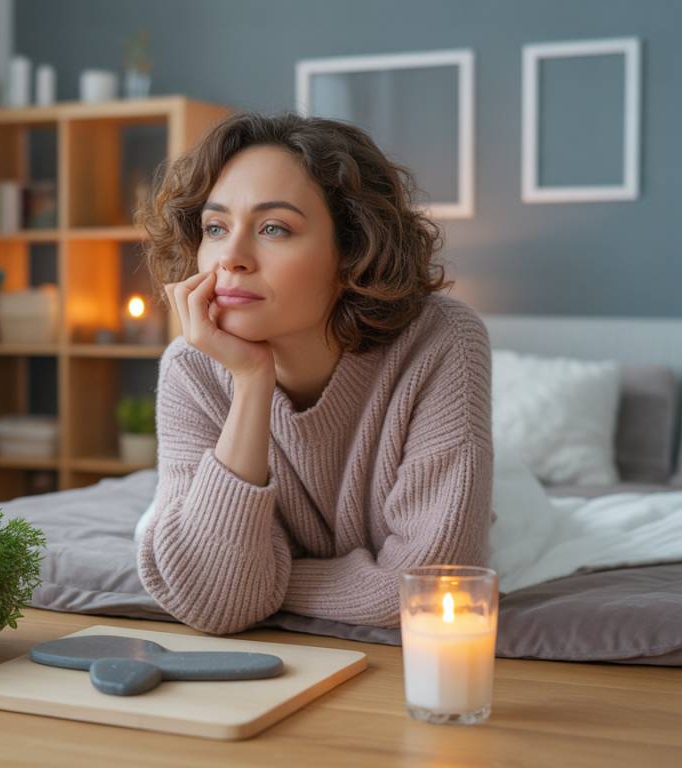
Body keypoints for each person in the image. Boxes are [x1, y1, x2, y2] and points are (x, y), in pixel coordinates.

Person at [133, 111, 494, 635]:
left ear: (351, 249)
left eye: (274, 228)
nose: (230, 258)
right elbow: (215, 603)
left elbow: (434, 585)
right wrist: (251, 381)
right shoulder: (192, 366)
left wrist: (268, 582)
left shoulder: (442, 341)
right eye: (215, 227)